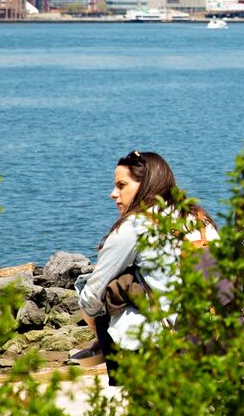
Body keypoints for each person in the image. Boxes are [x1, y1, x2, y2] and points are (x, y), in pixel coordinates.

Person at [75, 151, 218, 375]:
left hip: (162, 346)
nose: (113, 194)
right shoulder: (200, 219)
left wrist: (98, 331)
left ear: (146, 185)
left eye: (121, 185)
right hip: (215, 336)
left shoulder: (135, 226)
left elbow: (93, 293)